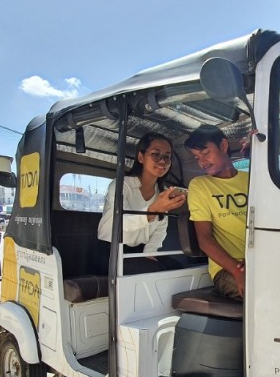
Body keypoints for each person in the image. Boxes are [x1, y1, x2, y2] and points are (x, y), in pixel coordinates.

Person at [97, 132, 186, 275]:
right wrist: (154, 210)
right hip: (111, 251)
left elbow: (160, 229)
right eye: (155, 154)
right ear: (141, 157)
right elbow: (121, 223)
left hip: (140, 251)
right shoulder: (121, 185)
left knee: (177, 269)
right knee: (154, 271)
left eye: (167, 157)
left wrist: (149, 252)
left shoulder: (162, 193)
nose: (162, 161)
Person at [185, 125, 248, 300]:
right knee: (265, 294)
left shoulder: (252, 179)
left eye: (205, 153)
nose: (202, 162)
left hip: (260, 262)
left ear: (223, 145)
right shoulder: (199, 185)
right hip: (227, 269)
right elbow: (204, 240)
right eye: (197, 157)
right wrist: (238, 270)